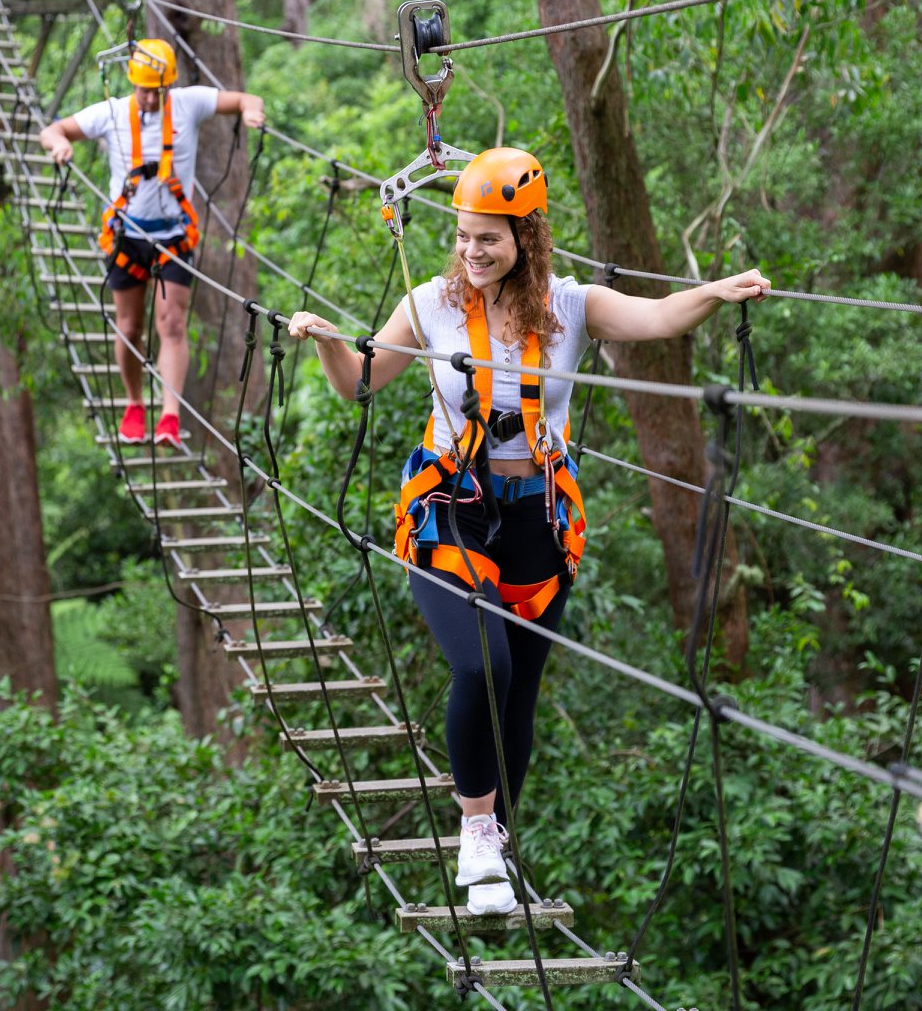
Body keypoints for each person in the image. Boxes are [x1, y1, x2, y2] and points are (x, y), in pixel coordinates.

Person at [286, 147, 769, 916]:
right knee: (483, 669)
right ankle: (476, 830)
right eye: (465, 236)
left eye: (490, 238)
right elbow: (359, 384)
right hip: (449, 503)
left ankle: (498, 848)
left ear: (527, 237)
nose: (473, 253)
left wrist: (713, 291)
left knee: (521, 692)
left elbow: (655, 319)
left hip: (538, 515)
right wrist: (325, 342)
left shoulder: (571, 307)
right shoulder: (429, 304)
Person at [38, 39, 265, 447]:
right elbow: (53, 129)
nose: (147, 97)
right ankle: (133, 403)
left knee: (172, 323)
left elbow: (244, 98)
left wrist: (251, 110)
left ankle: (170, 418)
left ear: (167, 87)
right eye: (142, 89)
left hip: (174, 234)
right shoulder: (110, 113)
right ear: (132, 84)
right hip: (126, 235)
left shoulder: (187, 103)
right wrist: (59, 143)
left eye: (155, 90)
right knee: (129, 326)